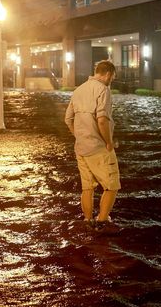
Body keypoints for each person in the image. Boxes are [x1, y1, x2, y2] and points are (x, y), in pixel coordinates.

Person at [64, 60, 120, 231]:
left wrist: (80, 136)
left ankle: (88, 221)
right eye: (113, 77)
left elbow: (68, 119)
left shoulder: (79, 90)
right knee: (111, 186)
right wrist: (109, 142)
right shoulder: (103, 90)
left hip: (81, 148)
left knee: (87, 187)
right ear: (108, 74)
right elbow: (102, 120)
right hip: (98, 148)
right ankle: (102, 221)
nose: (112, 81)